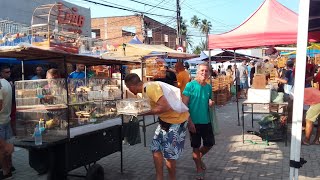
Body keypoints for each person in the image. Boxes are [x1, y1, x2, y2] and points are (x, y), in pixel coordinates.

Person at [124, 73, 189, 180]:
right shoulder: (146, 89)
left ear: (130, 87)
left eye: (128, 88)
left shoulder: (150, 88)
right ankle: (159, 177)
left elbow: (165, 107)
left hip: (176, 122)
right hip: (165, 121)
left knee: (169, 155)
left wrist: (142, 113)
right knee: (155, 148)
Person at [182, 63, 215, 180]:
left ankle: (198, 158)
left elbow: (209, 99)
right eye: (202, 70)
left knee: (209, 143)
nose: (204, 73)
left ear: (209, 73)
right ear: (197, 71)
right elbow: (184, 105)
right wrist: (189, 121)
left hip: (206, 120)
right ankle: (199, 170)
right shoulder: (190, 85)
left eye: (206, 71)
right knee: (195, 146)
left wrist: (210, 102)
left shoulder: (209, 87)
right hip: (194, 122)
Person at [0, 71, 14, 179]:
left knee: (2, 148)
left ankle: (5, 171)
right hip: (6, 119)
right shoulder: (7, 83)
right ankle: (10, 167)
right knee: (8, 146)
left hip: (1, 121)